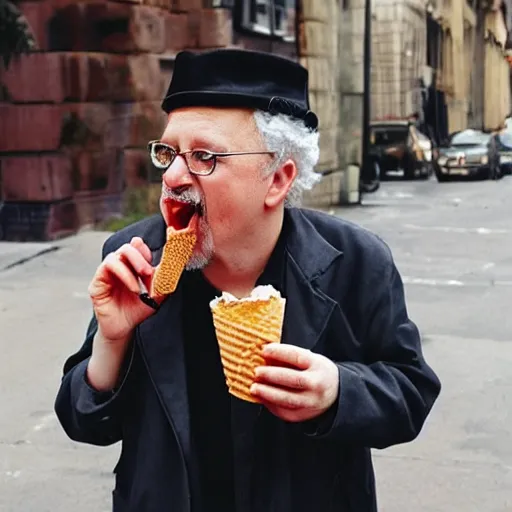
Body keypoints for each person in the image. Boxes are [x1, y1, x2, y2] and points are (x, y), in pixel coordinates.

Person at [54, 49, 441, 512]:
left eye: (204, 156)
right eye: (168, 152)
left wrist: (338, 391)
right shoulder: (136, 258)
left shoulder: (357, 263)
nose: (174, 176)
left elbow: (411, 392)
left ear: (277, 178)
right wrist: (111, 344)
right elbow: (85, 422)